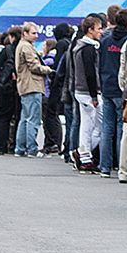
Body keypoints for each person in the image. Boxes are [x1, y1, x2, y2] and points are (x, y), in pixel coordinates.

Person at [99, 10, 127, 177]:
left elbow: (100, 64)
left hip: (107, 86)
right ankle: (122, 166)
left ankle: (104, 166)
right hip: (121, 88)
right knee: (122, 127)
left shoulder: (105, 40)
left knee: (107, 127)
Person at [70, 15, 103, 171]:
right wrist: (94, 95)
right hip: (88, 91)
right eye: (99, 28)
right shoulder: (88, 48)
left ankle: (83, 153)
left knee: (89, 124)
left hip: (81, 89)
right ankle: (84, 154)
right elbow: (90, 72)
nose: (101, 32)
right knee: (94, 125)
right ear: (90, 30)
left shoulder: (79, 46)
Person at [14, 22, 52, 157]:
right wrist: (48, 70)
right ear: (25, 33)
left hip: (24, 85)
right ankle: (32, 148)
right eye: (33, 33)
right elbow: (34, 66)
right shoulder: (26, 47)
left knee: (24, 118)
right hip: (32, 85)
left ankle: (20, 148)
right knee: (33, 119)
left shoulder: (22, 46)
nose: (36, 36)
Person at [0, 28, 22, 155]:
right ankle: (14, 144)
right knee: (19, 117)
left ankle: (0, 146)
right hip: (20, 87)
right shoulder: (24, 49)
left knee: (4, 117)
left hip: (6, 88)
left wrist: (1, 82)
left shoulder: (7, 50)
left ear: (11, 36)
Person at [45, 22, 73, 155]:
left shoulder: (61, 44)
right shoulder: (70, 43)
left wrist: (53, 76)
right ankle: (64, 144)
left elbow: (58, 65)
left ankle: (53, 142)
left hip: (59, 85)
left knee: (51, 113)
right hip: (68, 83)